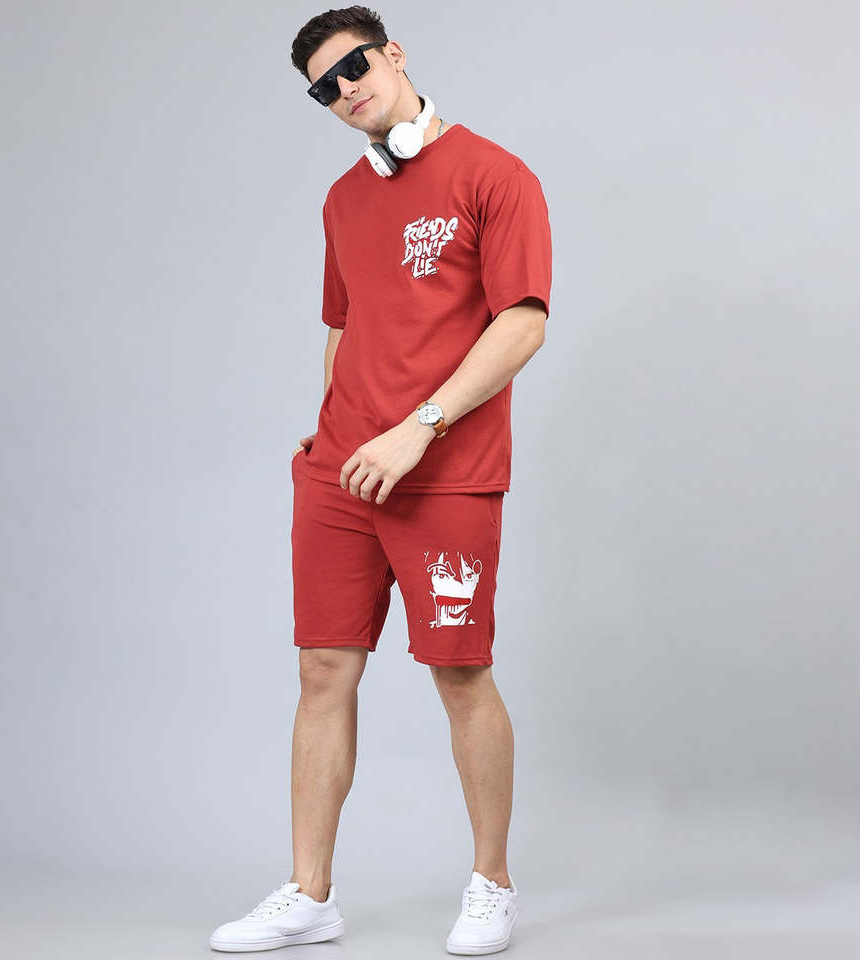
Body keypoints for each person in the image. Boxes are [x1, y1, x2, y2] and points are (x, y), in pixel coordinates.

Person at [209, 6, 551, 955]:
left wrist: (417, 428)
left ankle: (492, 883)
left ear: (393, 54)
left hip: (445, 474)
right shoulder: (343, 199)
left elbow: (522, 322)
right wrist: (333, 424)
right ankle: (309, 894)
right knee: (322, 670)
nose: (345, 90)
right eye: (323, 88)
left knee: (459, 671)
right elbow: (344, 322)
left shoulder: (495, 174)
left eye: (353, 67)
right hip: (341, 473)